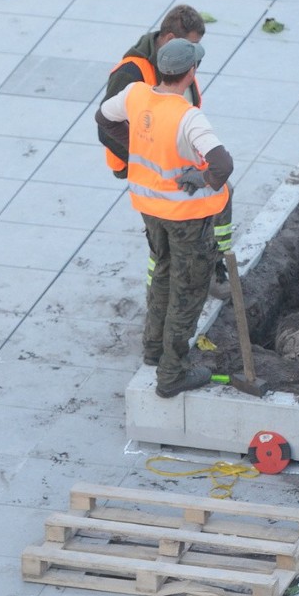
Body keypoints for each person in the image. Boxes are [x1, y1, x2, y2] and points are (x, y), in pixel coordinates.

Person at [95, 38, 234, 398]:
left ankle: (153, 349)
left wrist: (134, 149)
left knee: (163, 273)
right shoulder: (189, 117)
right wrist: (201, 178)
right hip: (187, 216)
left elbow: (103, 118)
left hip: (150, 209)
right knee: (188, 290)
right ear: (190, 73)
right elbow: (222, 165)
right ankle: (172, 373)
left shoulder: (136, 95)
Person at [98, 5, 233, 293]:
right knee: (165, 240)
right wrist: (148, 158)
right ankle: (167, 292)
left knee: (218, 196)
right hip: (154, 170)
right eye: (192, 45)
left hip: (173, 162)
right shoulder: (133, 72)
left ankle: (210, 266)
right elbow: (107, 126)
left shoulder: (177, 64)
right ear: (170, 39)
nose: (195, 54)